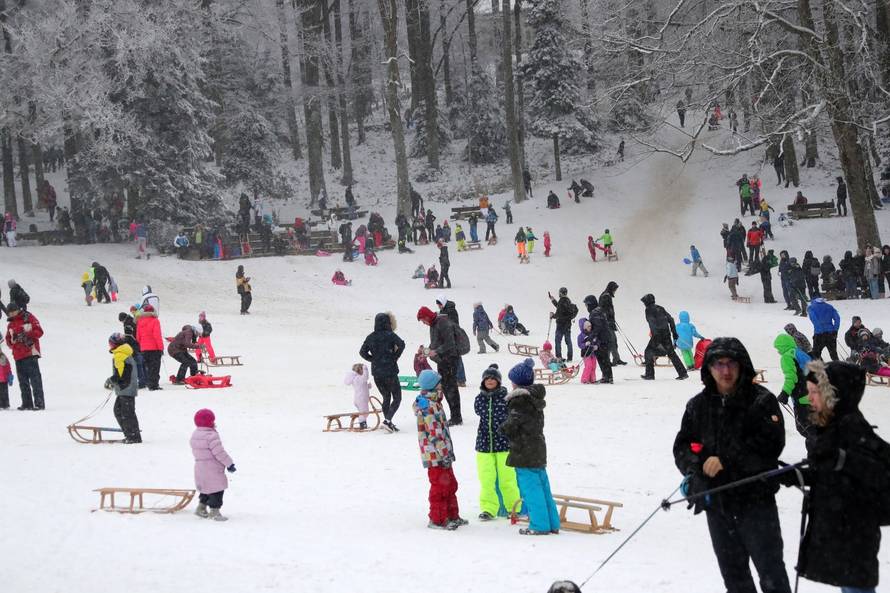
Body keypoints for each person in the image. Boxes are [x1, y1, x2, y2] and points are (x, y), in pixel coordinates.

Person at [673, 337, 791, 593]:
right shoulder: (698, 405)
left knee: (772, 576)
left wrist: (726, 460)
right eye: (718, 364)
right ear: (709, 368)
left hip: (756, 503)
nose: (725, 371)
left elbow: (770, 446)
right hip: (718, 505)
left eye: (731, 364)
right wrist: (696, 470)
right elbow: (683, 446)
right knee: (735, 579)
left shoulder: (761, 401)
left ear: (742, 366)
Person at [790, 361, 884, 593]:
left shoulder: (852, 425)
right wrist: (795, 475)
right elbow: (826, 472)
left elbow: (876, 473)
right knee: (849, 585)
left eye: (814, 392)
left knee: (856, 586)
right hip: (840, 526)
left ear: (832, 395)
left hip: (855, 527)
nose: (809, 398)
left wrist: (841, 460)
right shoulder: (830, 426)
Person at [501, 358, 560, 535]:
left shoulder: (519, 400)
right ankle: (552, 522)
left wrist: (502, 428)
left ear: (515, 382)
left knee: (531, 489)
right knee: (543, 487)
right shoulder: (535, 398)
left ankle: (539, 525)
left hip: (524, 451)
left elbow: (514, 424)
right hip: (537, 449)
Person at [413, 369, 466, 530]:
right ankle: (438, 519)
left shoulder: (435, 402)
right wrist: (443, 453)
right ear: (433, 386)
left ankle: (452, 515)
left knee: (450, 484)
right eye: (439, 383)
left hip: (442, 454)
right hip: (435, 455)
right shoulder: (428, 406)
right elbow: (434, 433)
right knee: (440, 487)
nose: (441, 386)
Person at [474, 364, 520, 520]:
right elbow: (478, 410)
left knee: (507, 479)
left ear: (499, 381)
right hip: (484, 444)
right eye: (487, 378)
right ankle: (489, 508)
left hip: (503, 445)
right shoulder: (480, 398)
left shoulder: (507, 398)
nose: (490, 381)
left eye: (493, 378)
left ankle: (513, 507)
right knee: (486, 479)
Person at [359, 312, 406, 433]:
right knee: (397, 397)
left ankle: (388, 422)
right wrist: (395, 356)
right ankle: (387, 421)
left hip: (377, 373)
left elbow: (362, 352)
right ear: (387, 323)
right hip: (390, 371)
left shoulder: (371, 337)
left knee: (386, 396)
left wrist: (373, 359)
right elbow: (401, 344)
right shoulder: (390, 335)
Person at [417, 306, 463, 425]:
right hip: (442, 360)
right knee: (446, 387)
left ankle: (456, 417)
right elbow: (435, 343)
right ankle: (454, 416)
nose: (424, 323)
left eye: (423, 320)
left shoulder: (442, 322)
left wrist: (436, 351)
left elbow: (450, 343)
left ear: (427, 317)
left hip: (451, 359)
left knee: (451, 387)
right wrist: (426, 352)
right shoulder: (434, 324)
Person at [191, 408, 236, 521]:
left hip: (200, 467)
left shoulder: (195, 435)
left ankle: (201, 508)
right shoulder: (211, 435)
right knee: (216, 490)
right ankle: (214, 512)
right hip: (213, 469)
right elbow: (219, 453)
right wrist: (229, 464)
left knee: (205, 489)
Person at [4, 304, 45, 410]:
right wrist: (13, 341)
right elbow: (8, 341)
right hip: (18, 356)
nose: (12, 313)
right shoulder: (10, 324)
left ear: (18, 310)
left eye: (14, 311)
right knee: (23, 381)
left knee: (35, 380)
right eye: (10, 312)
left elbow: (39, 331)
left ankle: (39, 404)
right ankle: (27, 403)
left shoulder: (29, 317)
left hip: (30, 353)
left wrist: (27, 335)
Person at [640, 294, 688, 380]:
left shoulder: (648, 310)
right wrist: (674, 333)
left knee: (648, 352)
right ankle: (683, 373)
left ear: (647, 302)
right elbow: (671, 320)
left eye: (644, 302)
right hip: (666, 334)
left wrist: (655, 335)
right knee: (671, 353)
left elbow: (651, 322)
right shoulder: (660, 308)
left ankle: (650, 374)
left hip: (657, 335)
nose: (644, 304)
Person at [773, 333, 812, 436]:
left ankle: (821, 449)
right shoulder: (800, 353)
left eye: (778, 348)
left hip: (802, 397)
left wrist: (785, 392)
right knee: (816, 426)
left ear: (783, 346)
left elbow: (791, 377)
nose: (778, 352)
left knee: (805, 428)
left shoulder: (786, 357)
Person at [105, 333, 141, 443]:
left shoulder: (120, 355)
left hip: (126, 388)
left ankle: (133, 436)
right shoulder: (123, 352)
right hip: (125, 388)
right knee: (120, 411)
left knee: (126, 413)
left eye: (111, 343)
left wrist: (111, 380)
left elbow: (121, 374)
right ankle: (130, 434)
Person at [136, 304, 163, 390]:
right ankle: (153, 385)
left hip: (144, 349)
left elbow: (138, 337)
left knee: (147, 367)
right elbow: (157, 335)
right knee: (155, 367)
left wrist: (142, 346)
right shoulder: (155, 321)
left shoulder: (140, 321)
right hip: (154, 348)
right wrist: (160, 348)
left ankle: (149, 383)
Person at [599, 281, 626, 366]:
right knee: (610, 341)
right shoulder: (606, 296)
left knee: (613, 340)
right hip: (607, 322)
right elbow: (606, 310)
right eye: (615, 289)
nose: (615, 291)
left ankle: (616, 359)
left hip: (608, 321)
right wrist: (610, 321)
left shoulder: (606, 295)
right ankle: (608, 360)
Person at [549, 288, 577, 362]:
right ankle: (570, 358)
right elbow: (560, 308)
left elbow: (559, 313)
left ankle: (559, 357)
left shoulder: (562, 301)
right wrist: (553, 300)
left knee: (558, 341)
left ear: (561, 293)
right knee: (568, 341)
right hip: (567, 325)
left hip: (561, 325)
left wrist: (552, 316)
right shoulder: (568, 300)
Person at [344, 363, 371, 430]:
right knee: (364, 412)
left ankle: (363, 424)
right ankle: (362, 425)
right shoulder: (359, 378)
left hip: (360, 399)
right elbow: (366, 377)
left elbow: (361, 387)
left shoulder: (357, 379)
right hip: (361, 399)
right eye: (362, 370)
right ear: (360, 370)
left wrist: (367, 386)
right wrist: (365, 368)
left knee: (364, 412)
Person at [576, 318, 598, 383]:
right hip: (586, 353)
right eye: (588, 327)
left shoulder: (592, 334)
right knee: (589, 366)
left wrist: (596, 345)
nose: (590, 328)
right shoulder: (581, 336)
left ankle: (592, 379)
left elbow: (596, 341)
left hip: (593, 353)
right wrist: (585, 344)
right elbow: (580, 345)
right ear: (585, 327)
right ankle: (584, 379)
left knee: (593, 366)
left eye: (590, 326)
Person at [0, 345, 11, 409]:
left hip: (4, 379)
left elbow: (8, 367)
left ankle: (6, 404)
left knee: (4, 392)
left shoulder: (4, 357)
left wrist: (10, 375)